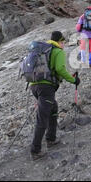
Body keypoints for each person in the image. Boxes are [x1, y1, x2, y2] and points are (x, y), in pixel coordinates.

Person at [29, 31, 80, 159]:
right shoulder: (58, 51)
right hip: (46, 88)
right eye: (63, 42)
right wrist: (74, 80)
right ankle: (35, 151)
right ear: (59, 41)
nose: (64, 45)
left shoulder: (43, 50)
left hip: (34, 85)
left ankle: (51, 138)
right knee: (42, 117)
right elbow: (60, 69)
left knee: (53, 108)